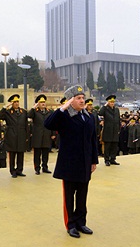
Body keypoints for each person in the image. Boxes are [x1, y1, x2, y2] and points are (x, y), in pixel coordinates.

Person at [44, 85, 98, 238]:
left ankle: (81, 222)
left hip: (85, 163)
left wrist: (93, 160)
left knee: (82, 195)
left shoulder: (89, 116)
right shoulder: (65, 116)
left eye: (83, 98)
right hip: (69, 164)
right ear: (70, 101)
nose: (82, 101)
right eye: (78, 98)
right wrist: (62, 108)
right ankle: (71, 224)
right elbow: (48, 124)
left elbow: (92, 140)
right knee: (69, 196)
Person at [0, 94, 29, 178]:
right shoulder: (8, 112)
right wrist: (5, 107)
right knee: (12, 155)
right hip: (11, 135)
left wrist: (26, 136)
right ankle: (13, 171)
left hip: (21, 135)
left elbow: (26, 124)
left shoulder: (23, 112)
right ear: (11, 103)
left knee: (20, 154)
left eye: (17, 101)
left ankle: (19, 170)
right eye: (14, 102)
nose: (16, 103)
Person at [28, 94, 55, 175]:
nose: (43, 104)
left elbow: (52, 123)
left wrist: (53, 133)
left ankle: (45, 167)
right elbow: (29, 116)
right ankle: (37, 168)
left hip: (46, 135)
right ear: (38, 104)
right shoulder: (35, 112)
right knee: (37, 153)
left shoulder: (49, 112)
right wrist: (33, 108)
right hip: (37, 135)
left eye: (44, 102)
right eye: (41, 102)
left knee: (45, 153)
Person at [98, 95, 120, 166]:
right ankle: (107, 160)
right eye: (111, 102)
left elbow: (118, 120)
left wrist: (118, 129)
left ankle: (112, 159)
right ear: (108, 102)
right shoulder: (105, 109)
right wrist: (104, 106)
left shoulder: (117, 110)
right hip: (108, 131)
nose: (112, 103)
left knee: (114, 146)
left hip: (115, 130)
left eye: (113, 102)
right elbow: (100, 113)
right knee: (107, 146)